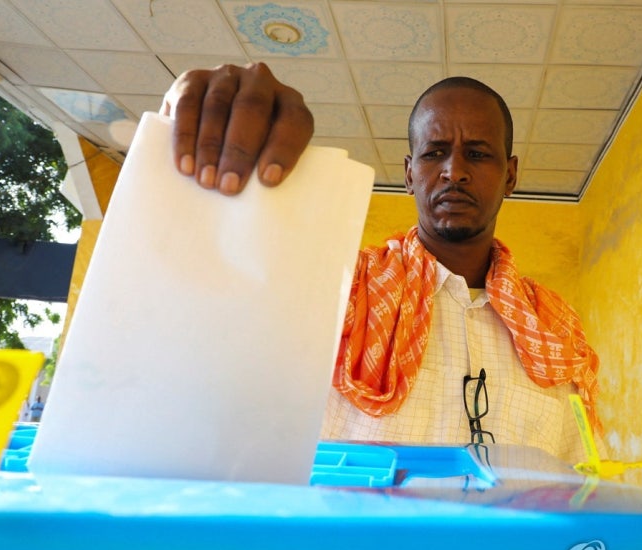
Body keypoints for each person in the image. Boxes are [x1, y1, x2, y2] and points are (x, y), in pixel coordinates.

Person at [161, 63, 600, 463]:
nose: (454, 171)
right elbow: (219, 302)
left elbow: (580, 477)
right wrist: (205, 187)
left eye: (479, 153)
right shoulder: (341, 290)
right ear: (409, 174)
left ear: (510, 175)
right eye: (435, 153)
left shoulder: (557, 331)